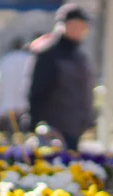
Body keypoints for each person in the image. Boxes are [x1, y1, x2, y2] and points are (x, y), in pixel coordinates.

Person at [28, 4, 94, 151]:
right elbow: (37, 90)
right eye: (79, 26)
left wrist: (88, 119)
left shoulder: (79, 55)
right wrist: (34, 123)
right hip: (54, 128)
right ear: (67, 25)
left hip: (75, 126)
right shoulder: (50, 54)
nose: (83, 30)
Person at [0, 38, 34, 133]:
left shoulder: (5, 60)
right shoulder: (29, 58)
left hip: (7, 106)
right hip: (25, 105)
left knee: (10, 137)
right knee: (25, 138)